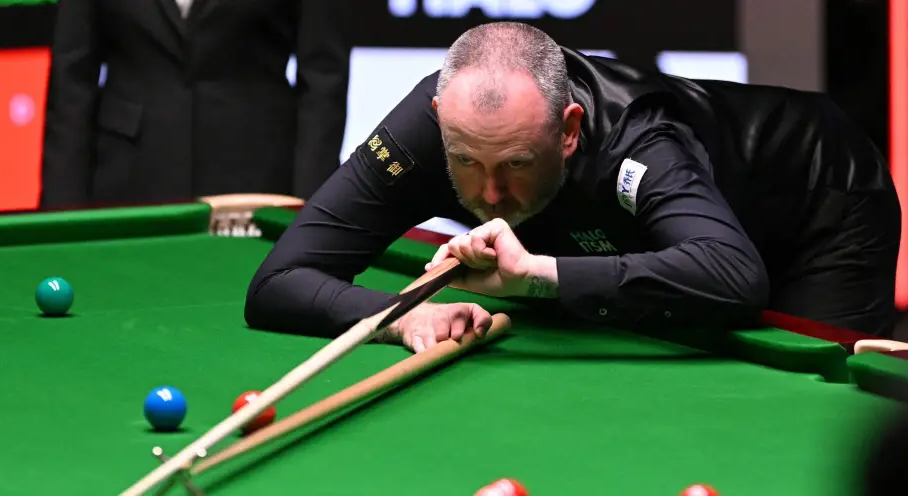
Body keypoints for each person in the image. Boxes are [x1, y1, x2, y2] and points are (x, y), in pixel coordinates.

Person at [244, 21, 902, 352]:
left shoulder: (636, 140)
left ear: (568, 130)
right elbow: (278, 284)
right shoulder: (429, 129)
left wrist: (535, 274)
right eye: (467, 163)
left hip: (821, 201)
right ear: (441, 122)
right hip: (680, 231)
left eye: (518, 165)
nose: (492, 193)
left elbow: (733, 275)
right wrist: (401, 315)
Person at [39, 0, 352, 208]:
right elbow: (72, 80)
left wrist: (311, 211)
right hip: (126, 180)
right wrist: (60, 216)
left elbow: (324, 77)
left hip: (258, 182)